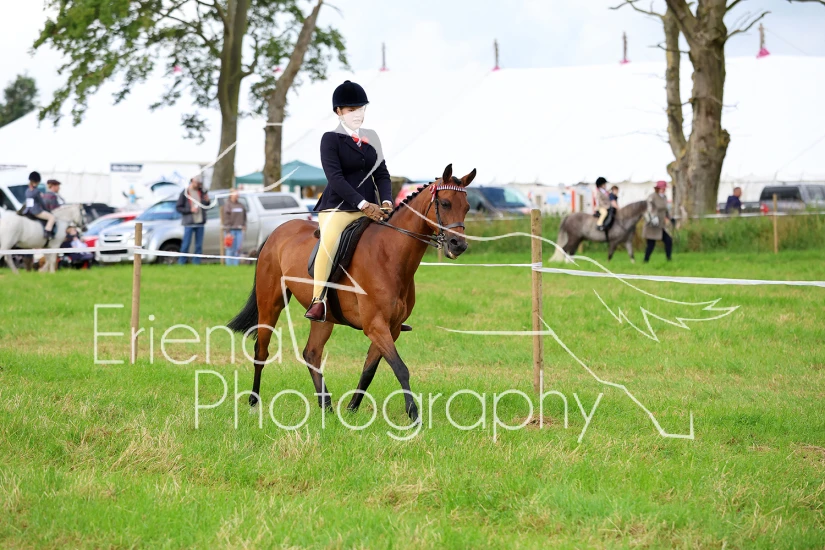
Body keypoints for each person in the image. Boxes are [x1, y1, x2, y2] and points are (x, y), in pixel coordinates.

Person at [305, 79, 393, 322]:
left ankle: (393, 304)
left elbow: (382, 174)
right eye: (351, 110)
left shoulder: (371, 137)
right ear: (339, 112)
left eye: (361, 109)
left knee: (393, 243)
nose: (358, 114)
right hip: (338, 207)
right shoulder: (330, 139)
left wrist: (386, 202)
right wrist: (363, 204)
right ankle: (318, 300)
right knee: (329, 243)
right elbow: (335, 178)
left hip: (372, 208)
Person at [175, 176, 211, 265]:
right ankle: (182, 262)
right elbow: (178, 207)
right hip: (189, 223)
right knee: (186, 244)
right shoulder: (185, 193)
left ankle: (196, 262)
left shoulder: (201, 192)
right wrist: (190, 210)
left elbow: (206, 206)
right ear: (192, 181)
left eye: (199, 183)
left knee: (198, 245)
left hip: (200, 223)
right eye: (197, 183)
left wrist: (207, 201)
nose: (198, 185)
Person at [20, 171, 56, 239]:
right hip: (35, 211)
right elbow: (41, 202)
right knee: (52, 217)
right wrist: (47, 210)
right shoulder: (36, 191)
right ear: (37, 181)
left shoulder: (27, 190)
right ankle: (47, 233)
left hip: (27, 210)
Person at [643, 180, 673, 263]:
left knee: (668, 240)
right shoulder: (652, 196)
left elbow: (665, 210)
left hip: (660, 225)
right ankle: (645, 260)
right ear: (658, 188)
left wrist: (670, 218)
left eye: (664, 188)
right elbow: (648, 208)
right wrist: (652, 217)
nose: (663, 190)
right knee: (651, 244)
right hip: (652, 224)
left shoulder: (664, 197)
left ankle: (669, 259)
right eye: (662, 188)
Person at [222, 189, 247, 266]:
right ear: (231, 195)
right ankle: (229, 265)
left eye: (237, 194)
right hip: (230, 230)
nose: (236, 195)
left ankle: (236, 265)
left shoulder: (241, 205)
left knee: (238, 249)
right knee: (230, 249)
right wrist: (228, 232)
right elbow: (226, 219)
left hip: (239, 230)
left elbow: (244, 216)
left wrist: (244, 225)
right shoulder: (227, 205)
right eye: (235, 194)